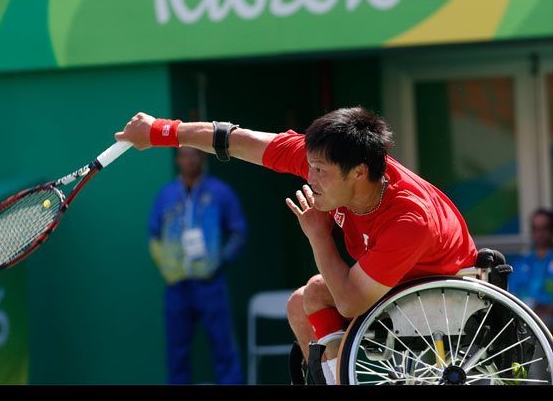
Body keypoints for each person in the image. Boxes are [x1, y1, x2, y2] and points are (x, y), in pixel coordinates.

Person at [116, 108, 479, 385]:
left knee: (318, 292)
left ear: (359, 173)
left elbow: (351, 301)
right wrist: (161, 131)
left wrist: (318, 235)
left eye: (320, 171)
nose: (310, 177)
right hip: (397, 290)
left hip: (447, 300)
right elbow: (235, 139)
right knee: (299, 305)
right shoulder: (330, 161)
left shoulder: (408, 219)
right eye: (310, 166)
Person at [148, 146, 247, 384]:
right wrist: (167, 267)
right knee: (176, 354)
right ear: (177, 160)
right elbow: (153, 236)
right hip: (177, 287)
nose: (190, 159)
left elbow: (238, 232)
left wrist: (220, 260)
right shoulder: (166, 195)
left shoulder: (220, 192)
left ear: (203, 158)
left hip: (211, 284)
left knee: (224, 349)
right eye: (184, 154)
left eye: (195, 154)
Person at [509, 208, 553, 330]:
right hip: (523, 319)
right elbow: (512, 297)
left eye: (545, 227)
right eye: (536, 228)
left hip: (545, 322)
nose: (540, 233)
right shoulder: (519, 264)